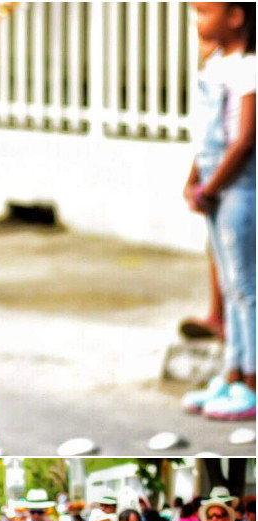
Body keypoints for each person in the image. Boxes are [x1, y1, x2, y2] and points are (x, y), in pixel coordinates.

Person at [181, 1, 255, 421]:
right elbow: (204, 138)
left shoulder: (248, 67)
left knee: (246, 288)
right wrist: (193, 179)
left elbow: (244, 140)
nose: (198, 21)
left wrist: (212, 184)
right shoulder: (214, 65)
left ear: (236, 16)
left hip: (238, 186)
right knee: (229, 287)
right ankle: (231, 373)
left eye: (205, 11)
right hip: (214, 184)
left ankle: (252, 381)